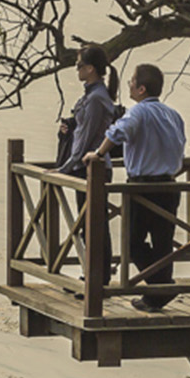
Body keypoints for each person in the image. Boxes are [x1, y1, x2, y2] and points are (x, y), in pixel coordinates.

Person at [85, 62, 186, 311]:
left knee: (133, 242)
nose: (128, 84)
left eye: (131, 81)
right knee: (163, 243)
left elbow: (118, 132)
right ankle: (157, 294)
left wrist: (98, 153)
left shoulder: (138, 112)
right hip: (169, 185)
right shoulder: (173, 114)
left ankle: (161, 286)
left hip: (142, 187)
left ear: (141, 89)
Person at [57, 45, 120, 282]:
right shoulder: (91, 96)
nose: (77, 70)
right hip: (86, 167)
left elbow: (87, 143)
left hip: (92, 168)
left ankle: (98, 277)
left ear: (91, 69)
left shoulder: (96, 99)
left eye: (80, 66)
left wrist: (64, 168)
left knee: (95, 225)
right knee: (89, 224)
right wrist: (70, 127)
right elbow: (83, 132)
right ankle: (93, 274)